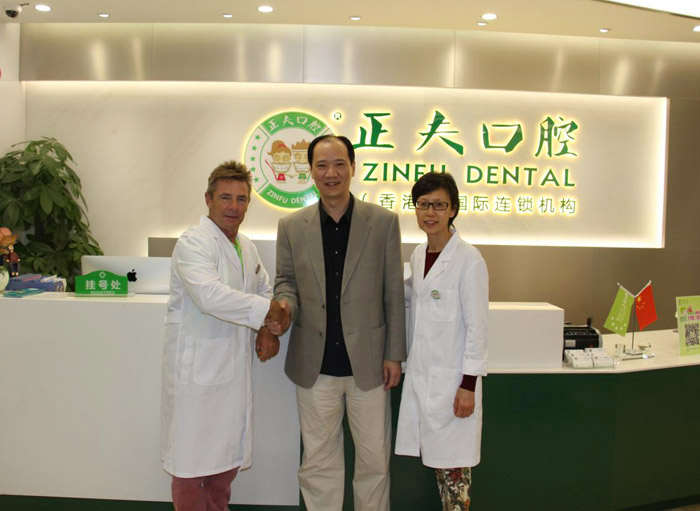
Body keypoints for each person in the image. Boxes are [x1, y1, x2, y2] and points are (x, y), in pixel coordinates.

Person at [273, 135, 406, 511]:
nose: (330, 173)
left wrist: (395, 354)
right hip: (314, 365)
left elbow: (393, 292)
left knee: (374, 463)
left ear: (352, 167)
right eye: (321, 165)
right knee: (318, 463)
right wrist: (284, 306)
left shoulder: (382, 223)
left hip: (370, 365)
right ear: (311, 171)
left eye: (339, 164)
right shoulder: (291, 226)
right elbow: (286, 281)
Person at [160, 160, 288, 511]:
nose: (234, 206)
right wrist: (266, 312)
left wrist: (267, 327)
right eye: (225, 198)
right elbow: (209, 296)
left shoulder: (246, 245)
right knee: (189, 466)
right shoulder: (193, 242)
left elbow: (263, 289)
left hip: (232, 373)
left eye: (241, 199)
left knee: (225, 464)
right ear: (208, 199)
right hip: (196, 375)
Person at [395, 172, 489, 511]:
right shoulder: (419, 255)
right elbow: (412, 296)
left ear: (453, 210)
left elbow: (478, 327)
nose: (430, 213)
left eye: (439, 205)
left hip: (453, 386)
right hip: (425, 379)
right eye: (423, 204)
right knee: (441, 469)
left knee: (455, 476)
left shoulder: (469, 260)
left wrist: (468, 385)